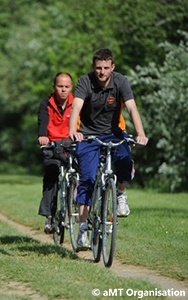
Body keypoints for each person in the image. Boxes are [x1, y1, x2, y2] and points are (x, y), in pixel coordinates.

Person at [69, 48, 148, 250]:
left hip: (114, 132)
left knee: (124, 158)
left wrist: (140, 133)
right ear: (93, 67)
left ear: (112, 67)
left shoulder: (120, 81)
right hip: (88, 135)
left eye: (106, 68)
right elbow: (76, 107)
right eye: (98, 68)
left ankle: (121, 193)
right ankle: (84, 230)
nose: (102, 72)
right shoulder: (85, 81)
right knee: (86, 179)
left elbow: (131, 107)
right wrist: (73, 131)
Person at [37, 72, 74, 234]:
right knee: (51, 175)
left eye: (66, 87)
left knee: (83, 173)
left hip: (71, 145)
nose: (63, 90)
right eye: (60, 86)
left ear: (71, 88)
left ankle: (79, 211)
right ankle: (49, 216)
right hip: (52, 146)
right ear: (54, 87)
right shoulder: (46, 104)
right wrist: (43, 136)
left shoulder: (77, 103)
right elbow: (43, 122)